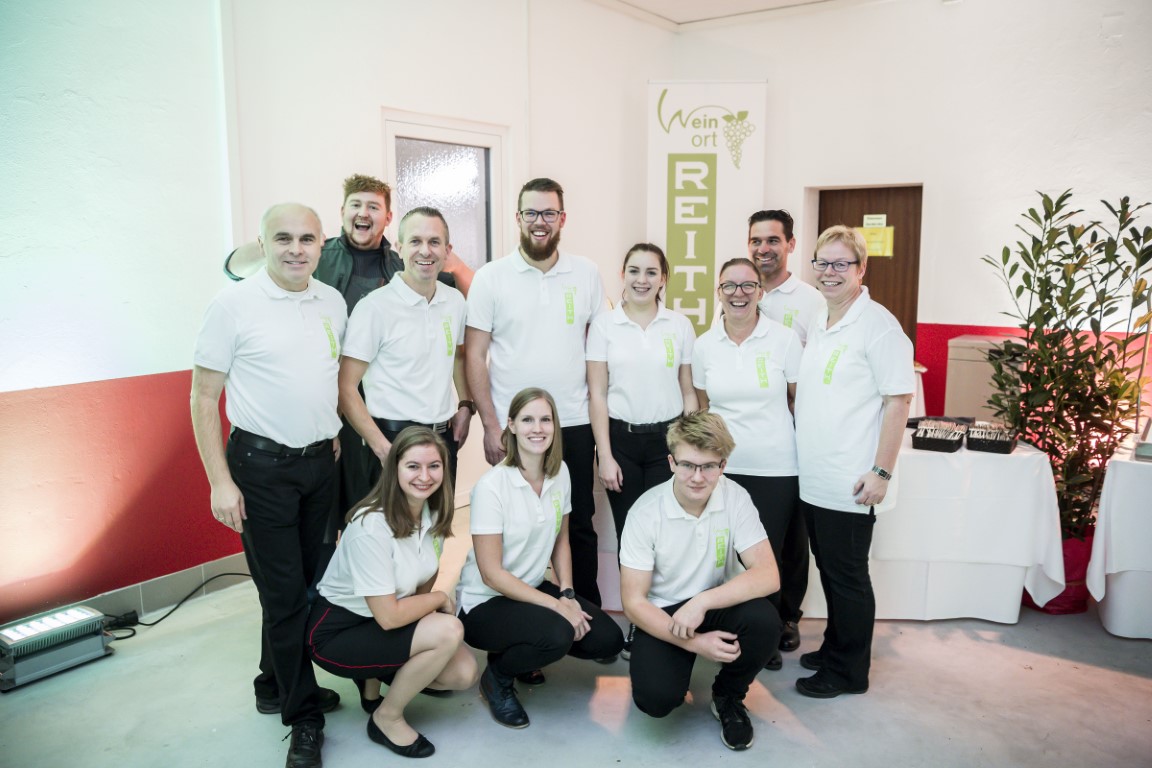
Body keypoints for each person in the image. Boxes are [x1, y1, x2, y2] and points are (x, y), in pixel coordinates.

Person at [191, 203, 346, 768]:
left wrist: (328, 431)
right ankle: (303, 718)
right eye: (283, 238)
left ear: (322, 244)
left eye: (307, 239)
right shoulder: (232, 305)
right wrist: (220, 482)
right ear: (262, 244)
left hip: (319, 465)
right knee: (284, 595)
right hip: (260, 470)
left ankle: (272, 682)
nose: (295, 249)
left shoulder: (331, 301)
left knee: (303, 586)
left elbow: (325, 377)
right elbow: (203, 397)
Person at [464, 178, 607, 605]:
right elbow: (475, 356)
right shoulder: (491, 277)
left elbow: (599, 348)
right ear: (518, 218)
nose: (539, 221)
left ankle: (585, 609)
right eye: (531, 212)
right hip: (515, 426)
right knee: (514, 523)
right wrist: (492, 426)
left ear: (562, 218)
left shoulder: (586, 273)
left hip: (574, 421)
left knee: (577, 522)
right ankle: (517, 613)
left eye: (548, 213)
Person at [457, 388, 625, 729]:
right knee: (559, 633)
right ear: (511, 426)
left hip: (530, 589)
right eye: (528, 420)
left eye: (545, 420)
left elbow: (561, 540)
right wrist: (555, 606)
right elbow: (491, 574)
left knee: (608, 639)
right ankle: (498, 676)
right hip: (484, 603)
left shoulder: (560, 473)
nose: (538, 428)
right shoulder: (491, 486)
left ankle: (521, 651)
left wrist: (567, 593)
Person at [306, 427, 478, 759]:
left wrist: (428, 610)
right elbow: (389, 617)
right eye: (413, 466)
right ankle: (386, 717)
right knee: (448, 630)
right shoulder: (371, 526)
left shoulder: (432, 514)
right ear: (394, 468)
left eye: (434, 466)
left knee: (463, 672)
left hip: (383, 621)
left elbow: (420, 584)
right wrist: (440, 599)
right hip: (338, 632)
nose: (425, 476)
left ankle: (373, 679)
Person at [793, 225, 914, 699]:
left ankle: (848, 672)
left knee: (847, 578)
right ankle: (834, 648)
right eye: (822, 262)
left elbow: (898, 401)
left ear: (861, 269)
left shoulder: (878, 326)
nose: (830, 272)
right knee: (830, 571)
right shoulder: (821, 317)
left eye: (841, 263)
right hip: (817, 476)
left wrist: (881, 472)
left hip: (852, 480)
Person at [619, 410, 781, 752]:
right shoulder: (644, 513)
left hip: (714, 600)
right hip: (665, 610)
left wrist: (702, 602)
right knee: (656, 700)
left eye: (708, 466)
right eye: (688, 465)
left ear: (722, 466)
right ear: (671, 462)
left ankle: (728, 696)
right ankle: (678, 666)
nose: (697, 477)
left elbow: (768, 575)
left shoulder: (735, 497)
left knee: (765, 621)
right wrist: (696, 643)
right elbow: (633, 603)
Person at [586, 242, 697, 657]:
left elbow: (688, 390)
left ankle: (669, 618)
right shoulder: (605, 326)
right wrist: (605, 455)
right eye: (634, 270)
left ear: (663, 278)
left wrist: (689, 448)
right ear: (623, 275)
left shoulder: (679, 325)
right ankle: (638, 621)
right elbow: (598, 394)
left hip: (669, 442)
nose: (642, 279)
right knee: (632, 534)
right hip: (622, 442)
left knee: (670, 532)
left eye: (651, 272)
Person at [692, 257, 801, 671]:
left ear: (760, 291)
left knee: (768, 556)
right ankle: (734, 630)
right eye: (730, 286)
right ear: (718, 292)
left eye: (747, 285)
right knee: (726, 555)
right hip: (724, 468)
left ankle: (766, 638)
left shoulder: (784, 340)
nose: (739, 293)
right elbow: (703, 406)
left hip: (776, 465)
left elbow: (798, 401)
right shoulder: (705, 345)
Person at [338, 207, 472, 487]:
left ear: (447, 250)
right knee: (393, 518)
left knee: (439, 517)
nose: (425, 250)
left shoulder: (455, 301)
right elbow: (345, 386)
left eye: (434, 242)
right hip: (392, 440)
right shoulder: (373, 308)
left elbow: (458, 356)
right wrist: (381, 447)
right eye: (415, 241)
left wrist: (465, 405)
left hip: (442, 439)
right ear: (399, 248)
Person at [746, 209, 826, 654]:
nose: (763, 249)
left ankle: (787, 616)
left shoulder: (812, 300)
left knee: (791, 535)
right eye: (756, 240)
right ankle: (752, 615)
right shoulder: (741, 291)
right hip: (749, 439)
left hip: (795, 435)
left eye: (773, 240)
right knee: (751, 533)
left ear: (791, 245)